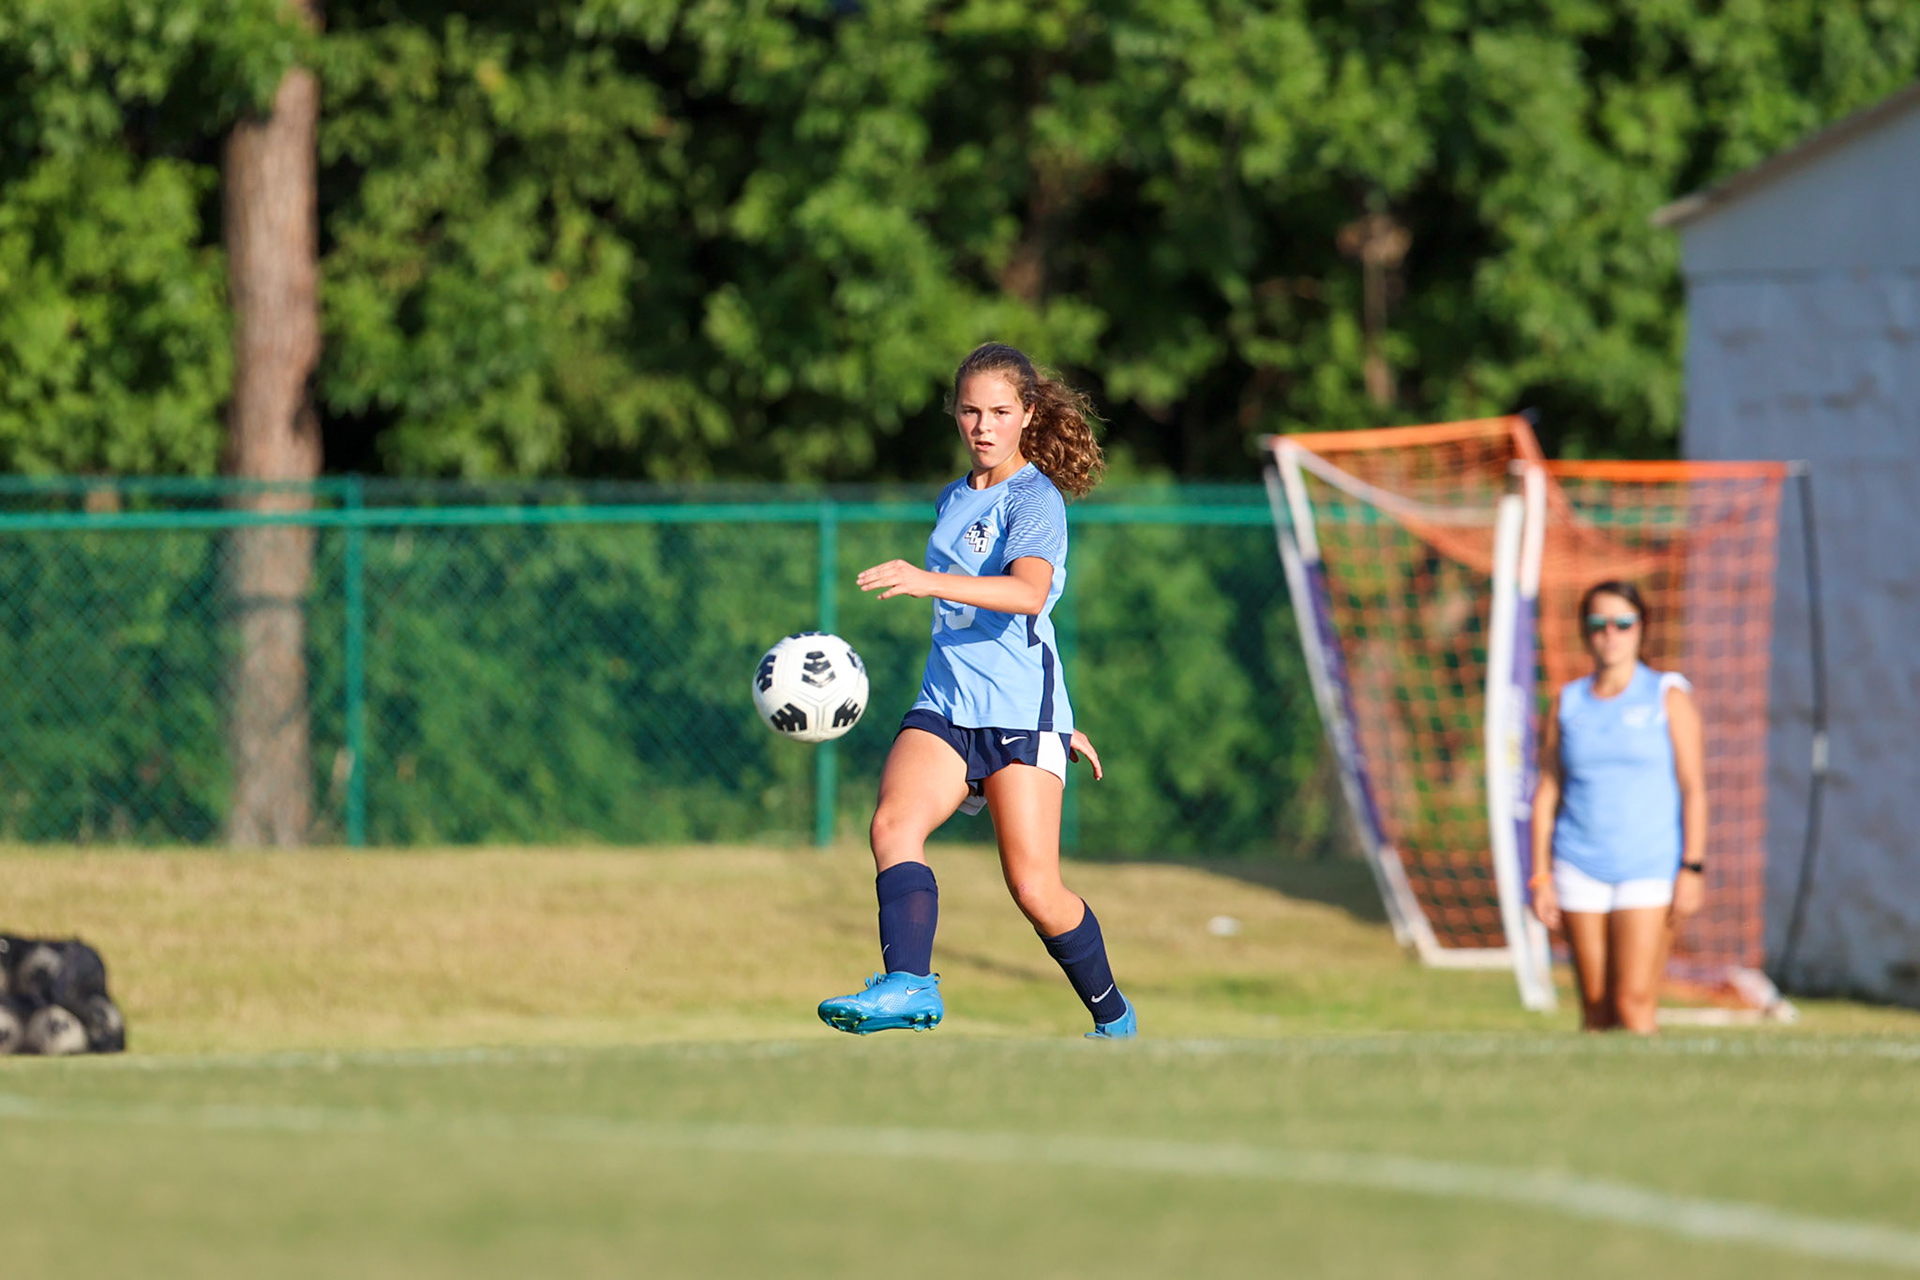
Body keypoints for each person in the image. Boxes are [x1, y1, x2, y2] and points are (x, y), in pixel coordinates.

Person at [815, 342, 1135, 1039]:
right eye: (969, 411)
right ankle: (909, 985)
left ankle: (1113, 1018)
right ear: (955, 416)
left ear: (1026, 415)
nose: (983, 426)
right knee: (892, 826)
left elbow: (1027, 595)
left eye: (998, 411)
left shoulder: (1037, 500)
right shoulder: (953, 497)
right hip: (947, 706)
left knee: (1035, 891)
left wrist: (1057, 722)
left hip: (1022, 715)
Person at [1528, 581, 1708, 1033]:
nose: (1611, 634)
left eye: (1622, 623)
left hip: (1647, 867)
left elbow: (1693, 788)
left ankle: (1655, 1102)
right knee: (1596, 1007)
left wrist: (1693, 867)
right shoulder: (1568, 702)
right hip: (1579, 865)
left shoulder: (1667, 696)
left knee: (1633, 1001)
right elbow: (1548, 791)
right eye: (1598, 624)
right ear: (1586, 633)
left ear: (1641, 629)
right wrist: (1541, 875)